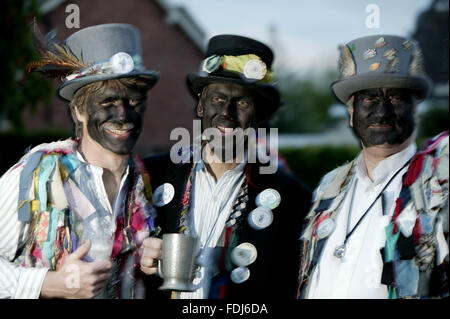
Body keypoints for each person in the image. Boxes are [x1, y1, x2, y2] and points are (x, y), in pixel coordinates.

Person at [140, 34, 312, 299]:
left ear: (259, 116)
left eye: (242, 102)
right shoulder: (151, 176)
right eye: (217, 99)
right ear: (200, 105)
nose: (227, 113)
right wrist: (142, 257)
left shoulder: (292, 197)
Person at [0, 23, 160, 298]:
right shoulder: (37, 173)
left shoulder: (144, 182)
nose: (122, 116)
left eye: (133, 102)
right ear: (79, 111)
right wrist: (49, 284)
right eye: (107, 103)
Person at [297, 35, 449, 299]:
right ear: (351, 113)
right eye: (368, 98)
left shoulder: (439, 185)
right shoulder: (328, 189)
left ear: (415, 112)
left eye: (396, 97)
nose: (382, 111)